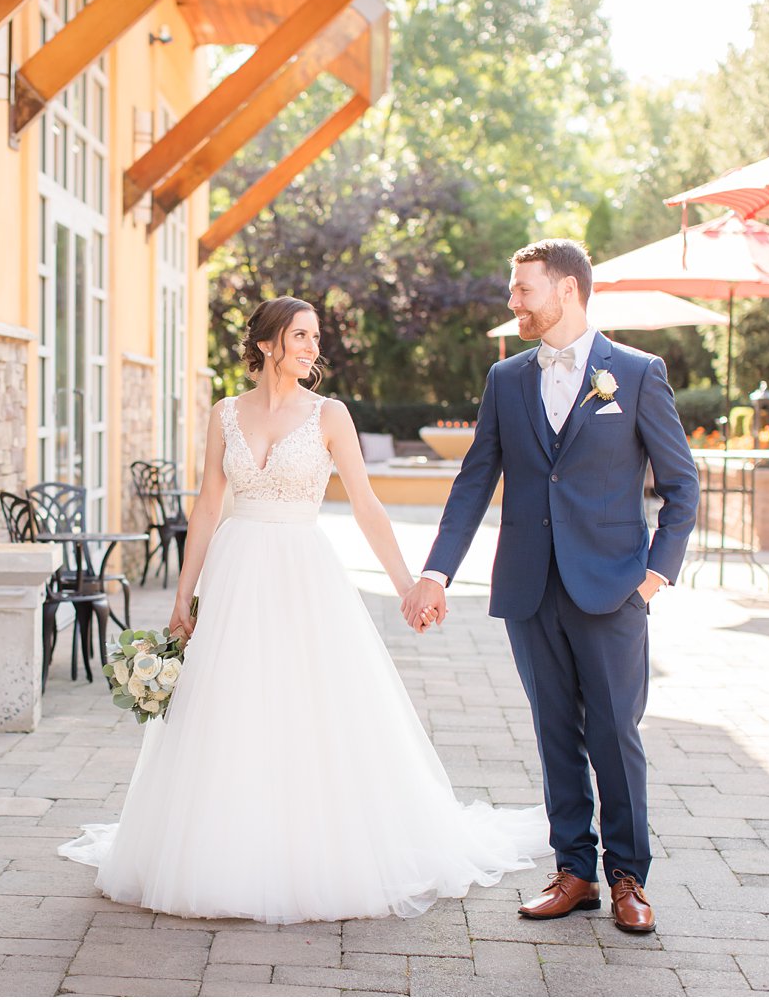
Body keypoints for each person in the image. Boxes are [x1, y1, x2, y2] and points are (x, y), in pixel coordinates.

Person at [58, 296, 550, 924]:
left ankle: (309, 846)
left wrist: (408, 585)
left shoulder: (330, 415)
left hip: (301, 573)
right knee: (228, 707)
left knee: (306, 704)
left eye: (315, 337)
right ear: (267, 345)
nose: (313, 348)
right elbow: (208, 507)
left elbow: (368, 506)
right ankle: (224, 846)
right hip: (236, 572)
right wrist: (184, 597)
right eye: (300, 336)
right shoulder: (224, 415)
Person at [401, 239, 699, 934]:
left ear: (566, 290)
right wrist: (436, 571)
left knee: (616, 737)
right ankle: (575, 872)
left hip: (613, 590)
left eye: (524, 290)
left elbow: (682, 488)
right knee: (553, 733)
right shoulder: (506, 380)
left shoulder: (636, 373)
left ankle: (629, 877)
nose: (514, 303)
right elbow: (475, 479)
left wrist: (654, 577)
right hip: (530, 589)